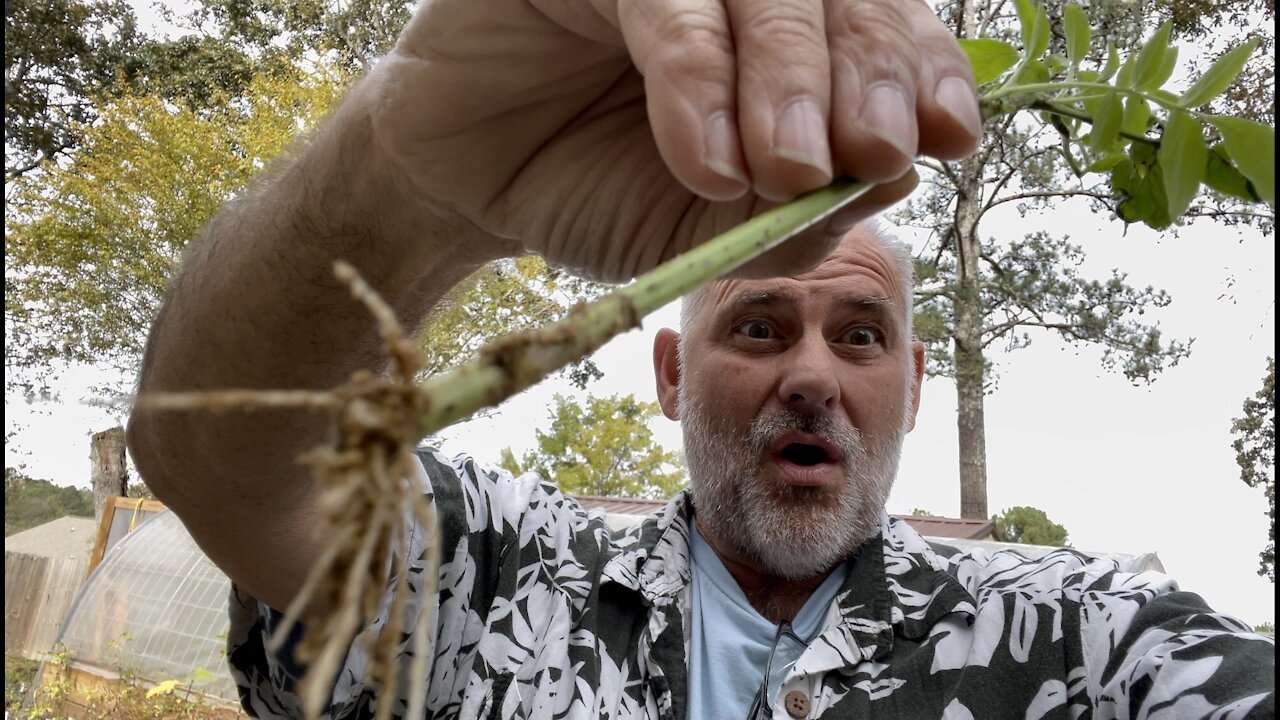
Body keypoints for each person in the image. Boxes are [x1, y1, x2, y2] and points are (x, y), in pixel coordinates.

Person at [126, 0, 1275, 717]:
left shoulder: (1089, 636)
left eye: (861, 335)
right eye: (759, 326)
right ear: (670, 374)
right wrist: (405, 179)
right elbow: (214, 457)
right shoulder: (496, 578)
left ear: (916, 389)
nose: (812, 373)